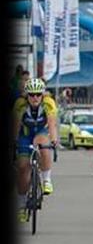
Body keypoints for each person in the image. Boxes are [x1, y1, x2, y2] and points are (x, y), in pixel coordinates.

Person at [13, 78, 58, 220]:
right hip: (25, 134)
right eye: (31, 95)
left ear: (42, 94)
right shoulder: (20, 104)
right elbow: (16, 125)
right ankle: (21, 204)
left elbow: (51, 124)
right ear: (27, 95)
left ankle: (46, 180)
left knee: (43, 145)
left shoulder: (48, 103)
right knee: (22, 167)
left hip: (41, 132)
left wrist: (54, 140)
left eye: (38, 94)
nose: (35, 98)